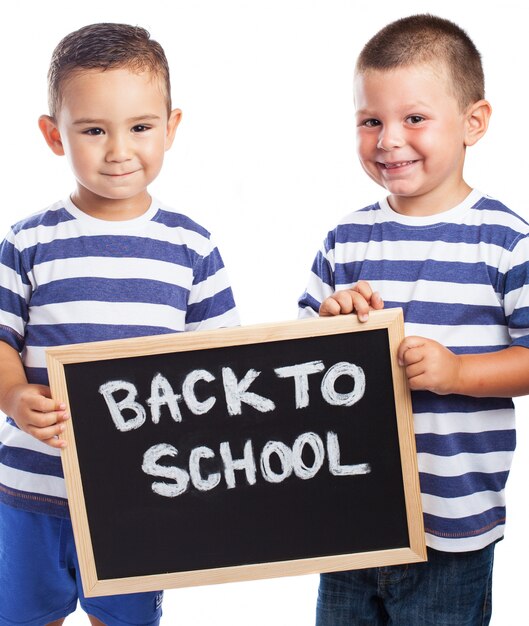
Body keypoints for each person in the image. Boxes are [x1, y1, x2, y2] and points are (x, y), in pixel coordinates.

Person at [0, 23, 239, 626]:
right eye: (93, 130)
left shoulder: (192, 247)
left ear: (171, 127)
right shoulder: (28, 242)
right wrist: (13, 393)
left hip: (141, 497)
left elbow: (225, 368)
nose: (118, 150)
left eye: (139, 127)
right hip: (32, 489)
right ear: (54, 135)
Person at [298, 14, 529, 626]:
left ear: (473, 122)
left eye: (414, 118)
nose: (388, 139)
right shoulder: (345, 240)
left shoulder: (505, 242)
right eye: (371, 120)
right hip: (350, 517)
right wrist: (331, 322)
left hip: (451, 529)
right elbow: (291, 362)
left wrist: (456, 373)